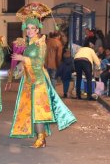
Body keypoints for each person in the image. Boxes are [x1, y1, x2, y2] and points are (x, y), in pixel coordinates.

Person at [7, 12, 76, 148]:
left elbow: (38, 62)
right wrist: (16, 69)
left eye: (33, 28)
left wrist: (23, 59)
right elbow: (25, 63)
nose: (30, 31)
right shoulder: (28, 44)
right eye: (28, 28)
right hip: (28, 81)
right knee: (30, 109)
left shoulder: (41, 43)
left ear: (38, 30)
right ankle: (41, 136)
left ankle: (41, 138)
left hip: (38, 81)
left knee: (38, 109)